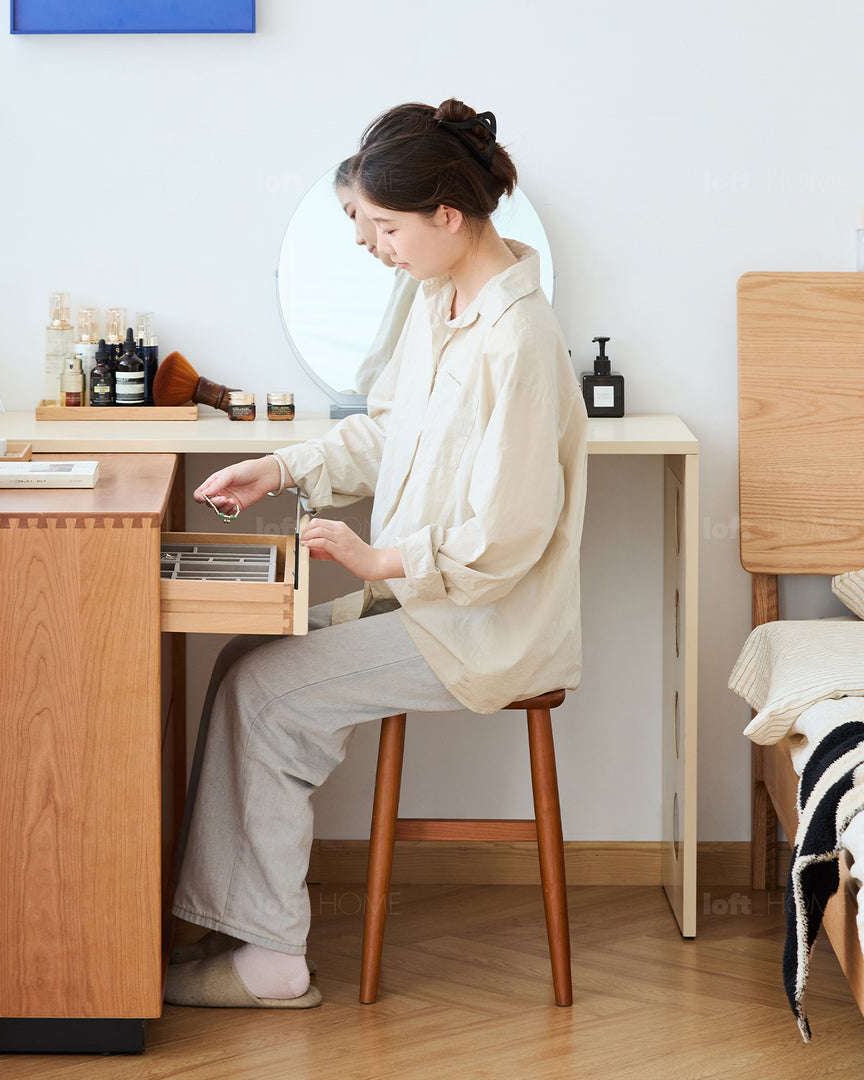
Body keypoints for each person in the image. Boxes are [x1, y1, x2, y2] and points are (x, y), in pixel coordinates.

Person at [165, 98, 587, 1010]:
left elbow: (508, 534)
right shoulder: (440, 300)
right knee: (242, 658)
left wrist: (378, 561)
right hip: (432, 605)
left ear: (448, 215)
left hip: (481, 623)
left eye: (386, 226)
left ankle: (273, 960)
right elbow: (386, 432)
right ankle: (241, 926)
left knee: (264, 693)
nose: (376, 245)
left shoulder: (521, 338)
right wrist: (278, 465)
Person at [333, 157, 421, 395]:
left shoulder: (419, 272)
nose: (358, 239)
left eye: (353, 214)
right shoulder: (410, 272)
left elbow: (375, 382)